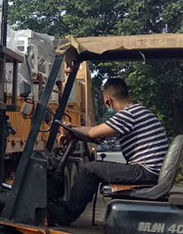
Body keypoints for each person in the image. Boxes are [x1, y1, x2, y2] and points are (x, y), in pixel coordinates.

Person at [49, 78, 169, 225]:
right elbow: (97, 132)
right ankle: (66, 207)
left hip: (145, 171)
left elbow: (93, 132)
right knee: (94, 168)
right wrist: (73, 128)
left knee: (90, 169)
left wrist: (70, 129)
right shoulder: (137, 111)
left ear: (108, 100)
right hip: (149, 170)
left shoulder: (128, 114)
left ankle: (66, 215)